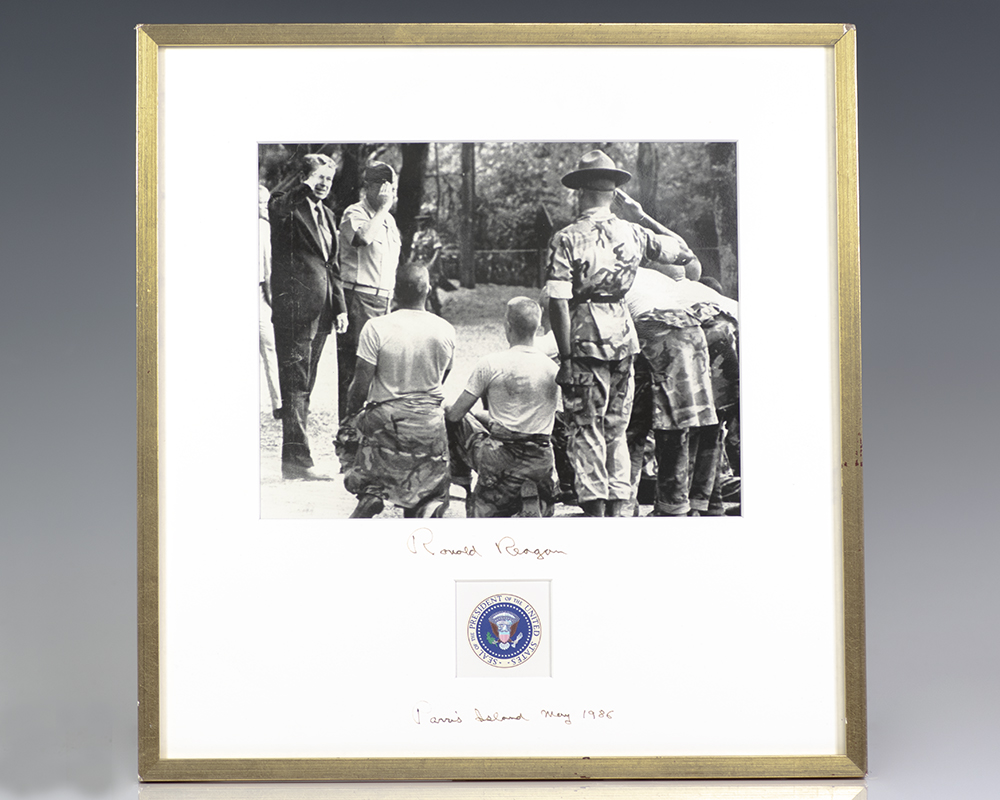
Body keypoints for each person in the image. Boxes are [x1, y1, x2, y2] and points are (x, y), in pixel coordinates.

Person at [546, 150, 699, 517]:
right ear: (614, 192)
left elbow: (557, 302)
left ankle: (596, 513)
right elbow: (685, 254)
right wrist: (642, 214)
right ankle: (618, 510)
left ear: (579, 191)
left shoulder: (566, 238)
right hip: (623, 338)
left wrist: (565, 359)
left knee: (586, 429)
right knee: (617, 427)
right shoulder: (635, 233)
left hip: (584, 340)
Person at [339, 263, 456, 519]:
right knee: (425, 480)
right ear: (428, 289)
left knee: (347, 433)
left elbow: (360, 385)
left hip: (385, 423)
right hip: (429, 424)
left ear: (394, 291)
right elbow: (443, 375)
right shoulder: (446, 329)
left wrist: (350, 418)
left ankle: (370, 490)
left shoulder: (376, 327)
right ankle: (424, 502)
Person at [624, 266, 737, 516]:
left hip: (669, 329)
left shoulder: (617, 276)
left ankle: (660, 506)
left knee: (646, 424)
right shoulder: (667, 281)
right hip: (718, 330)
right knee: (708, 424)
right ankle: (706, 504)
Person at [268, 153, 348, 480]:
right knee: (296, 385)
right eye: (319, 178)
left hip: (324, 312)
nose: (324, 185)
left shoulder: (328, 216)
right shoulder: (285, 206)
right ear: (304, 177)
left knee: (305, 386)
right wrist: (304, 187)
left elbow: (333, 266)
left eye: (329, 179)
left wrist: (340, 307)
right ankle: (298, 462)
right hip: (296, 312)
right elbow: (280, 208)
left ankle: (295, 460)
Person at [445, 297, 560, 517]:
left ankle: (462, 484)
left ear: (507, 326)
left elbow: (455, 415)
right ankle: (533, 499)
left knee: (450, 412)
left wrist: (481, 417)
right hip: (541, 459)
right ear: (538, 327)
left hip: (500, 460)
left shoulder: (491, 364)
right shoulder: (552, 368)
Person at [336, 162, 401, 419]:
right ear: (372, 187)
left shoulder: (389, 220)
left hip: (384, 301)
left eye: (393, 188)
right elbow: (363, 238)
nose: (391, 194)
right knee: (355, 370)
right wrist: (384, 207)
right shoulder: (354, 213)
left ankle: (370, 434)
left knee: (380, 371)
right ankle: (348, 432)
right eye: (387, 188)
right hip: (359, 299)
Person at [258, 184, 281, 419]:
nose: (263, 208)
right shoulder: (263, 226)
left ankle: (277, 402)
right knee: (269, 346)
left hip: (260, 292)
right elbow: (267, 270)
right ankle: (278, 402)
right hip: (260, 293)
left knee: (268, 346)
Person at [410, 212, 445, 314]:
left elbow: (437, 250)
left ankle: (437, 310)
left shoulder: (432, 234)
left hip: (430, 265)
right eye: (419, 220)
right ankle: (422, 311)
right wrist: (410, 262)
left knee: (431, 288)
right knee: (419, 288)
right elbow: (414, 250)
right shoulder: (416, 235)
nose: (420, 223)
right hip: (419, 264)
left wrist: (431, 263)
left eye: (423, 220)